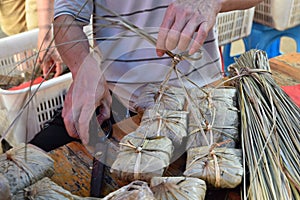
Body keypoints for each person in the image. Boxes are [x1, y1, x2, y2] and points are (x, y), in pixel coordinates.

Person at [51, 0, 263, 145]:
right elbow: (66, 16)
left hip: (203, 100)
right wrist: (83, 68)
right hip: (117, 104)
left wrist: (212, 1)